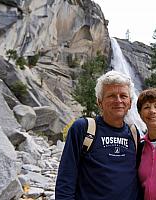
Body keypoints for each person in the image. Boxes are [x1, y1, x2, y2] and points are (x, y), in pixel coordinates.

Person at [55, 70, 141, 200]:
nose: (118, 100)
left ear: (130, 102)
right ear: (99, 102)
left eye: (123, 96)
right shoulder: (83, 128)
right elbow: (66, 177)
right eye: (111, 95)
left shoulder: (134, 133)